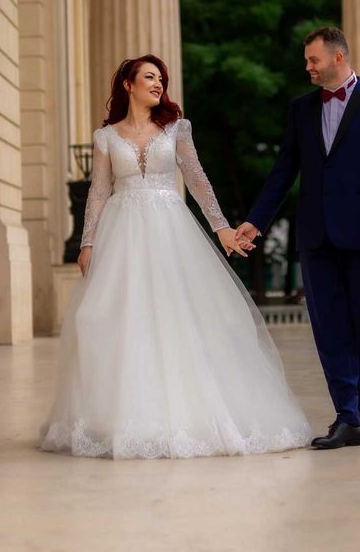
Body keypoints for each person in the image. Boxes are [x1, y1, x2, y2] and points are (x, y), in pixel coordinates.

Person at [38, 55, 312, 459]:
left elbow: (198, 180)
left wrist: (221, 227)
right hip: (122, 232)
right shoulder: (106, 137)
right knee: (114, 320)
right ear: (127, 84)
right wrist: (87, 242)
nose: (157, 83)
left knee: (178, 315)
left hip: (170, 229)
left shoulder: (176, 129)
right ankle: (123, 417)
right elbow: (98, 192)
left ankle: (190, 414)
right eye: (148, 77)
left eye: (160, 78)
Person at [236, 27, 360, 450]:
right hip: (315, 234)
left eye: (313, 60)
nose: (308, 68)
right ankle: (347, 414)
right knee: (327, 325)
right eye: (307, 61)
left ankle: (352, 410)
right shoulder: (300, 110)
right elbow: (283, 172)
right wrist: (256, 222)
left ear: (337, 57)